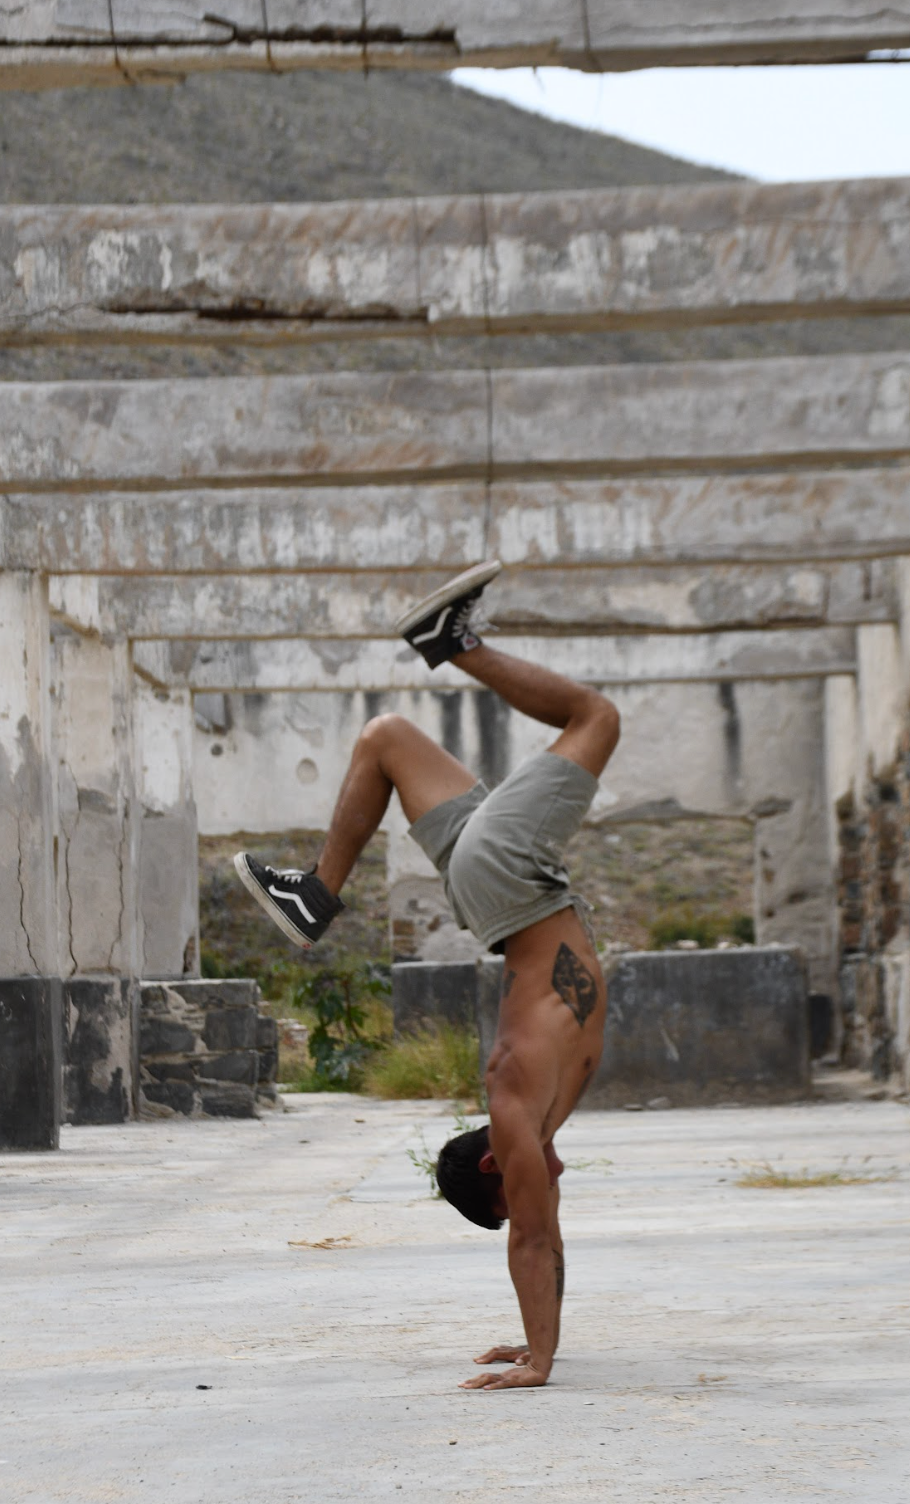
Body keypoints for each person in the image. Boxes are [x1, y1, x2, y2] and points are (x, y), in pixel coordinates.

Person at [233, 561, 620, 1392]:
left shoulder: (516, 1104)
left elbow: (534, 1240)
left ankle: (453, 643)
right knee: (384, 739)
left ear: (493, 1170)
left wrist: (542, 1359)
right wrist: (533, 1336)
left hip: (512, 885)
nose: (542, 1193)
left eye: (516, 1191)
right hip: (495, 892)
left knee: (594, 716)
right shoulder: (540, 1112)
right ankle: (315, 898)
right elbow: (546, 1239)